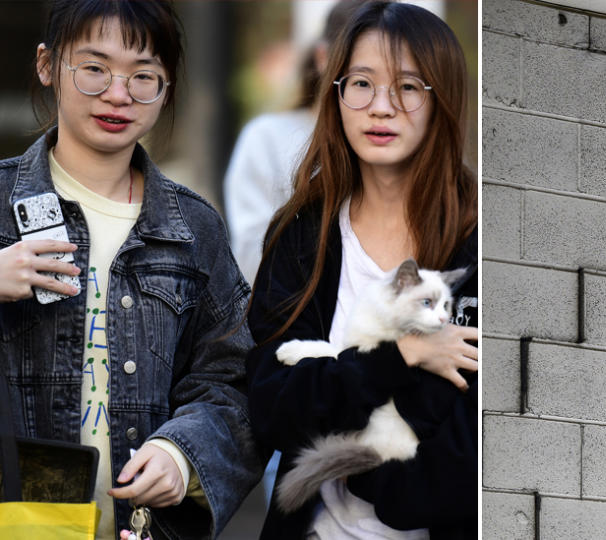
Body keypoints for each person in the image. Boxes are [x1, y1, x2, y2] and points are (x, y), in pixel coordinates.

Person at [0, 1, 261, 538]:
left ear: (165, 88)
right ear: (48, 66)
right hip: (22, 520)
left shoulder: (194, 228)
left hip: (143, 526)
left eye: (144, 76)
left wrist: (181, 453)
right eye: (94, 69)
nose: (118, 94)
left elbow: (234, 379)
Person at [245, 2, 478, 538]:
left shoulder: (479, 241)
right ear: (337, 94)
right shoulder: (304, 233)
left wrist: (368, 475)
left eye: (408, 87)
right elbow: (272, 404)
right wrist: (403, 357)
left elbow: (471, 447)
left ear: (442, 98)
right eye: (362, 84)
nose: (381, 107)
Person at [224, 0, 376, 284]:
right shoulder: (266, 138)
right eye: (360, 73)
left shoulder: (391, 142)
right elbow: (252, 260)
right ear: (323, 58)